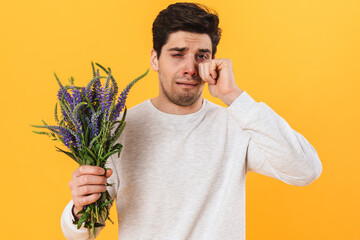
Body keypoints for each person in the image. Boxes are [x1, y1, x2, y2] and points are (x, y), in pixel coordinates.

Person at [61, 2, 322, 239]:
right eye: (178, 53)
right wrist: (78, 206)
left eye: (201, 56)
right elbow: (84, 233)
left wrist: (234, 96)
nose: (190, 67)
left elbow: (305, 170)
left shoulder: (236, 124)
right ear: (155, 59)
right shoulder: (117, 131)